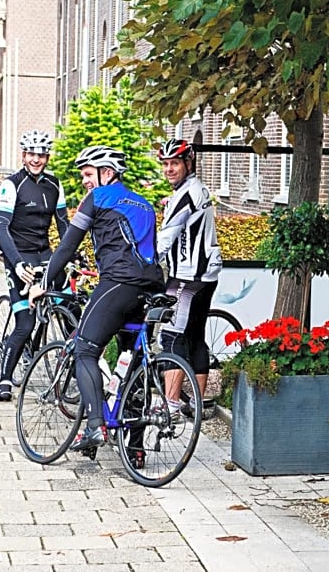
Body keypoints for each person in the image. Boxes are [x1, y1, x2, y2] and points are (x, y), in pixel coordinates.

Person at [28, 145, 163, 452]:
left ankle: (94, 426)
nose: (85, 181)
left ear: (108, 173)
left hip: (118, 284)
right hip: (150, 288)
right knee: (133, 362)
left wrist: (43, 283)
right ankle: (136, 449)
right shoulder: (144, 204)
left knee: (84, 349)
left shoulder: (98, 198)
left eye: (89, 174)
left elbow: (65, 247)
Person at [0, 129, 69, 401]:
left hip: (44, 254)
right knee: (24, 324)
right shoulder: (11, 185)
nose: (37, 159)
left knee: (71, 310)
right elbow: (1, 227)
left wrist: (72, 255)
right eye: (32, 154)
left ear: (47, 157)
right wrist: (16, 263)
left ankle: (72, 370)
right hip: (19, 256)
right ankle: (4, 379)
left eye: (42, 154)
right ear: (24, 156)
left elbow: (64, 226)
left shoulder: (54, 185)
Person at [156, 138, 222, 417]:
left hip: (189, 275)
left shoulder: (186, 195)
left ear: (188, 163)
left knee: (172, 335)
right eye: (166, 164)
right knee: (195, 336)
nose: (169, 169)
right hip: (205, 274)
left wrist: (143, 262)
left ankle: (170, 404)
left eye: (175, 164)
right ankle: (196, 403)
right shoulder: (195, 189)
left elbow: (166, 237)